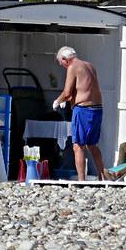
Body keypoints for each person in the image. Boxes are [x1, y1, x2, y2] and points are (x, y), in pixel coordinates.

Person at [52, 46, 106, 182]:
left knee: (78, 146)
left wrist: (58, 101)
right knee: (92, 145)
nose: (63, 66)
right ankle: (102, 176)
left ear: (65, 59)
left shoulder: (72, 67)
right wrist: (68, 99)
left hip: (83, 109)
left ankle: (81, 180)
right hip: (97, 109)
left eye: (61, 63)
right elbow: (85, 88)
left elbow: (67, 93)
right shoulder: (90, 66)